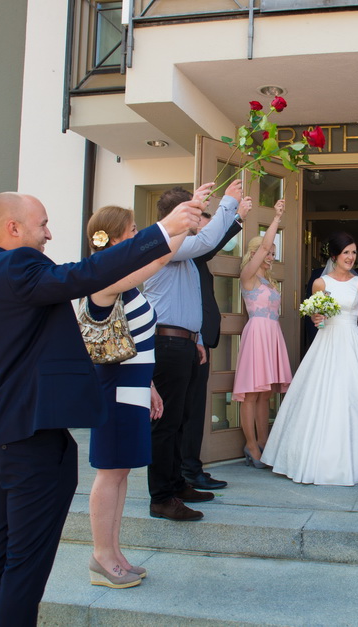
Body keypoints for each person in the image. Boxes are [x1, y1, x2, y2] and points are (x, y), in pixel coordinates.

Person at [0, 191, 202, 626]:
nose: (49, 233)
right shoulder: (18, 266)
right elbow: (88, 274)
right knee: (24, 568)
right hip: (30, 444)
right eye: (43, 224)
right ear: (13, 229)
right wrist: (165, 230)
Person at [83, 205, 187, 588]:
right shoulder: (105, 279)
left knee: (121, 473)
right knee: (110, 473)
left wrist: (151, 386)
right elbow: (160, 255)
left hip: (133, 387)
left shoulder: (123, 281)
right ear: (112, 239)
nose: (137, 234)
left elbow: (133, 344)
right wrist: (182, 220)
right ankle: (101, 555)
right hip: (114, 391)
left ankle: (113, 552)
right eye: (131, 230)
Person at [261, 233, 358, 485]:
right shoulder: (321, 283)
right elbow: (316, 315)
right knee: (322, 396)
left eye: (353, 252)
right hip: (327, 342)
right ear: (335, 257)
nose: (351, 257)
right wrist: (315, 318)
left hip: (352, 341)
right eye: (346, 253)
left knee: (355, 396)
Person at [143, 180, 246, 521]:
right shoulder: (165, 243)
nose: (199, 219)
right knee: (166, 424)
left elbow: (187, 300)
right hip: (167, 344)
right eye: (195, 212)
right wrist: (228, 205)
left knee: (181, 420)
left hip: (184, 343)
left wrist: (199, 338)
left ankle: (177, 484)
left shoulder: (184, 249)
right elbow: (206, 240)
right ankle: (161, 497)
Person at [178, 199, 249, 492]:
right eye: (206, 230)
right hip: (188, 341)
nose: (208, 237)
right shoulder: (186, 252)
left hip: (199, 341)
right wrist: (236, 219)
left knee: (193, 410)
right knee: (188, 411)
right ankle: (188, 472)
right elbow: (211, 245)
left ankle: (190, 469)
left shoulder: (194, 257)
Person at [233, 199, 292, 467]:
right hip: (257, 333)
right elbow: (266, 244)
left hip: (272, 334)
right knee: (251, 392)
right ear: (257, 252)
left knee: (266, 393)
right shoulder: (248, 275)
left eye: (272, 253)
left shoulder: (270, 281)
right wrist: (277, 218)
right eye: (268, 253)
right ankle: (250, 443)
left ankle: (264, 441)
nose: (271, 256)